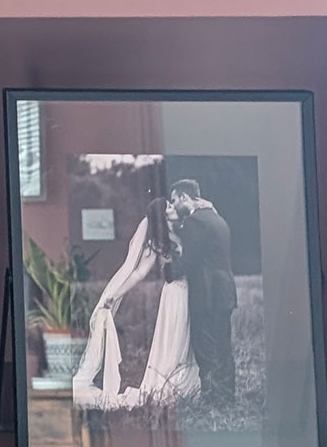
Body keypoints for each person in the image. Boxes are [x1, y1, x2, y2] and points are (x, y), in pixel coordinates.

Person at [71, 197, 200, 414]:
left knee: (191, 342)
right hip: (176, 294)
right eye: (168, 206)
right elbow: (138, 273)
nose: (172, 207)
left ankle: (190, 379)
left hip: (195, 292)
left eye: (171, 203)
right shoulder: (158, 243)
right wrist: (115, 294)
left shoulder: (187, 226)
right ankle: (170, 381)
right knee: (175, 340)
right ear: (162, 215)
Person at [169, 176, 237, 407]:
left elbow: (187, 262)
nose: (174, 205)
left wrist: (166, 269)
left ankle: (212, 399)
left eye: (174, 200)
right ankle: (227, 396)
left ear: (185, 197)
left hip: (206, 295)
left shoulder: (195, 222)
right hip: (224, 292)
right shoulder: (218, 219)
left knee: (206, 349)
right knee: (223, 347)